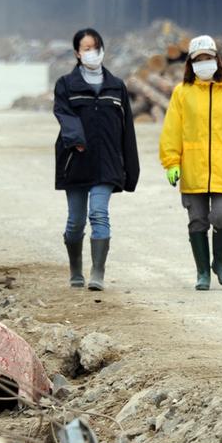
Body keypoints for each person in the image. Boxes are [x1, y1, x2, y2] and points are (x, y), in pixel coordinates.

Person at [159, 35, 222, 291]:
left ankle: (220, 262)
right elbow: (172, 129)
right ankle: (203, 271)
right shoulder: (182, 92)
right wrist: (172, 162)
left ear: (216, 59)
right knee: (197, 221)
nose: (204, 63)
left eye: (208, 58)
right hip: (192, 169)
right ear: (190, 63)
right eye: (198, 59)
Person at [53, 27, 140, 291]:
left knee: (99, 214)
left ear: (102, 49)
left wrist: (130, 168)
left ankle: (98, 273)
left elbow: (127, 128)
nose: (92, 52)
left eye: (96, 47)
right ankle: (75, 269)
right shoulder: (66, 85)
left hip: (107, 163)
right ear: (78, 53)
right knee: (75, 221)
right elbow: (64, 114)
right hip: (76, 161)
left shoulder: (116, 86)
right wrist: (76, 139)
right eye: (86, 48)